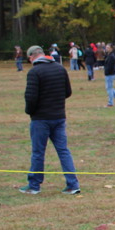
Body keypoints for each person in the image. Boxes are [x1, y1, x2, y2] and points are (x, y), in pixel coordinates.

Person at [19, 45, 81, 195]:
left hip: (41, 119)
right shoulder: (60, 68)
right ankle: (73, 184)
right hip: (59, 117)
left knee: (38, 152)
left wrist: (29, 111)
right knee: (63, 150)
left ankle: (34, 185)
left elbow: (31, 98)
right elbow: (68, 92)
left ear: (32, 57)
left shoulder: (34, 72)